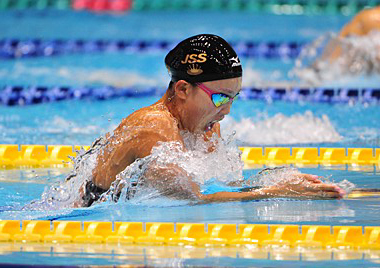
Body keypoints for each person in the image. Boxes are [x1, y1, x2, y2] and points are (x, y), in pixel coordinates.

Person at [77, 34, 344, 207]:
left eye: (233, 98)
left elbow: (219, 186)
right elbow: (194, 198)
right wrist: (277, 192)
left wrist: (278, 180)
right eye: (220, 98)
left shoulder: (206, 124)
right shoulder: (154, 128)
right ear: (182, 90)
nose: (226, 110)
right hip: (91, 218)